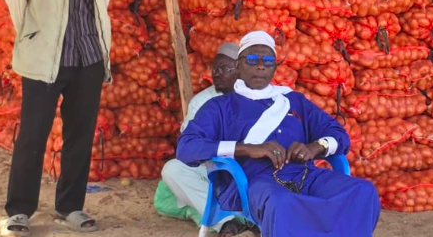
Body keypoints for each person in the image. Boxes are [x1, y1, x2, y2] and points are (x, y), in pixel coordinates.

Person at [177, 31, 380, 237]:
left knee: (363, 192)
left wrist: (314, 148)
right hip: (255, 182)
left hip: (306, 175)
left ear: (274, 67)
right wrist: (248, 149)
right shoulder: (220, 107)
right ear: (238, 65)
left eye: (268, 61)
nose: (260, 66)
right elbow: (187, 146)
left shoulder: (294, 101)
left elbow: (339, 135)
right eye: (253, 59)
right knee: (282, 203)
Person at [2, 0, 116, 235]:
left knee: (79, 137)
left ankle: (71, 207)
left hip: (88, 58)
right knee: (32, 135)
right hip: (44, 60)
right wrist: (35, 35)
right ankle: (20, 210)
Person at [157, 42, 254, 236]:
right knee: (172, 169)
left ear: (241, 70)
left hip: (251, 171)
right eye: (215, 68)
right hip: (212, 168)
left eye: (224, 69)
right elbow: (188, 146)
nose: (217, 73)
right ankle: (226, 222)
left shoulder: (258, 97)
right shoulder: (202, 101)